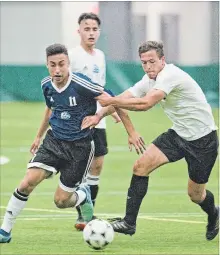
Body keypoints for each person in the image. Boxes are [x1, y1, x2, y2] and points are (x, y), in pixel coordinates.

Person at [0, 43, 144, 243]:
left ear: (68, 64)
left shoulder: (81, 84)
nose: (57, 70)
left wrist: (130, 131)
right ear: (47, 65)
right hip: (54, 141)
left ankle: (83, 196)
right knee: (27, 182)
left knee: (61, 201)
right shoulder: (46, 85)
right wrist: (38, 136)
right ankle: (5, 231)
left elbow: (113, 99)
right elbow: (50, 109)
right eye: (52, 65)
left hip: (80, 148)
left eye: (61, 64)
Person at [84, 41, 219, 241]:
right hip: (178, 134)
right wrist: (98, 116)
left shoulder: (169, 76)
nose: (148, 67)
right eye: (144, 62)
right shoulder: (148, 80)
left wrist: (111, 101)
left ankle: (214, 213)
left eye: (152, 61)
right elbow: (124, 97)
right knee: (140, 166)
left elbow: (145, 104)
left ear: (162, 60)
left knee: (195, 195)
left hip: (203, 141)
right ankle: (129, 222)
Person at [68, 12, 120, 231]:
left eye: (94, 29)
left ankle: (89, 212)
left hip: (99, 117)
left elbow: (101, 87)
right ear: (78, 31)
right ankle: (83, 214)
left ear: (99, 32)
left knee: (98, 164)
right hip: (80, 119)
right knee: (81, 165)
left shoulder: (100, 55)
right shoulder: (72, 55)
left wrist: (113, 110)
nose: (91, 32)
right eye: (86, 28)